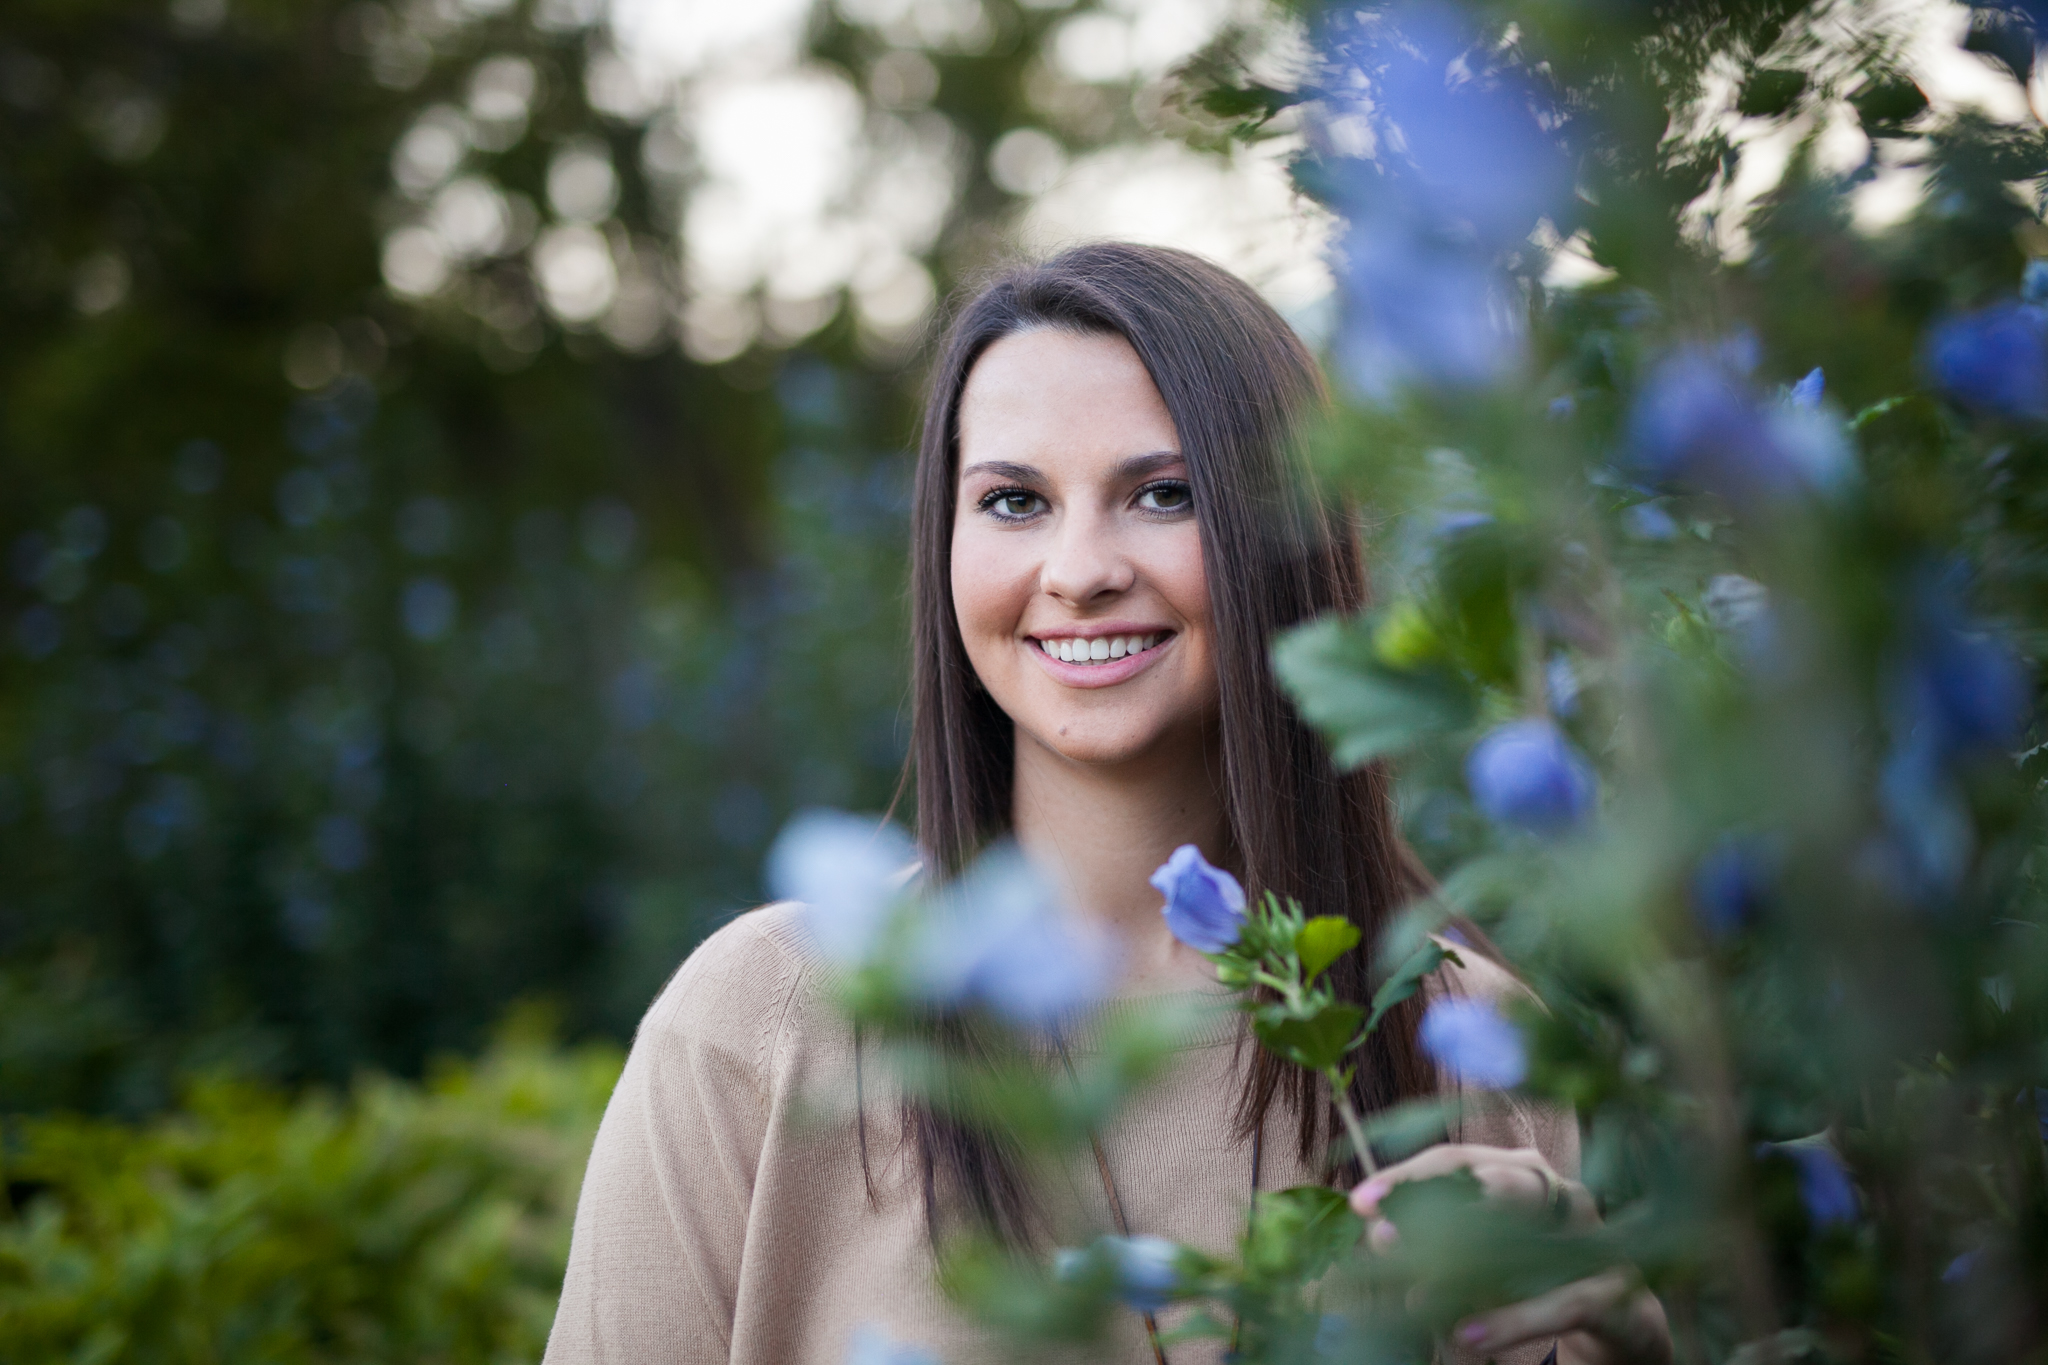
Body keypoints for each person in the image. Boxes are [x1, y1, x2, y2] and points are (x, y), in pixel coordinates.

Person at [542, 243, 1670, 1365]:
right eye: (1014, 500)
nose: (1078, 569)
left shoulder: (1464, 1044)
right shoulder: (764, 1018)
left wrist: (1629, 1347)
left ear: (1282, 537)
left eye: (1162, 494)